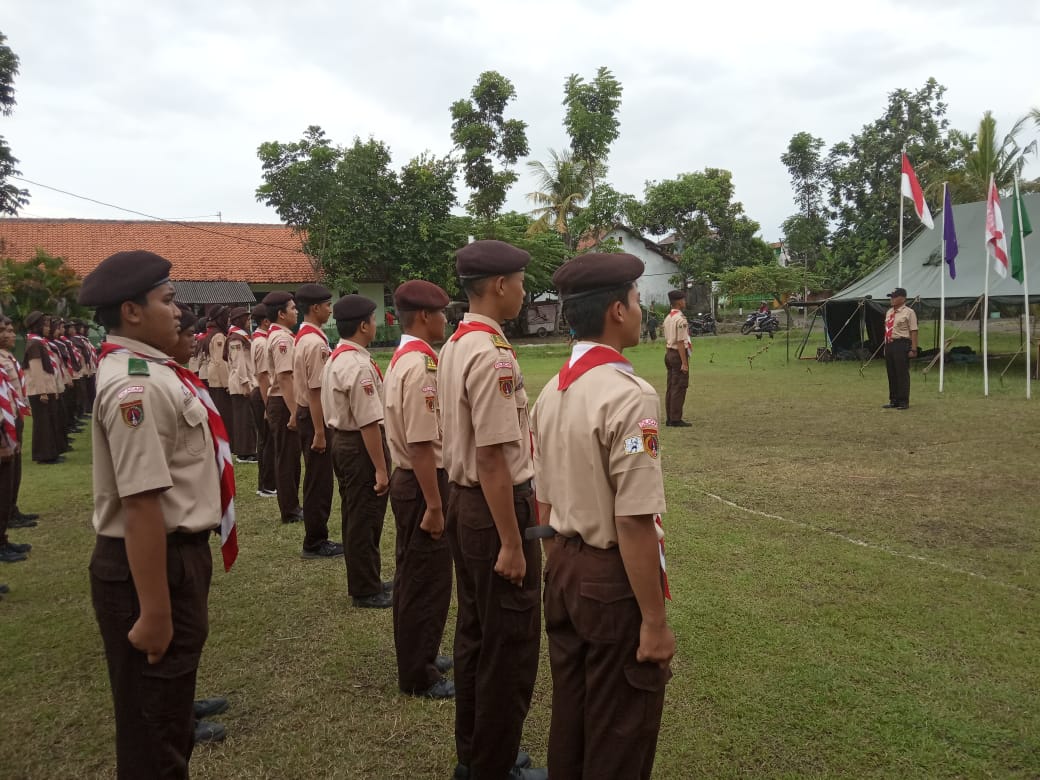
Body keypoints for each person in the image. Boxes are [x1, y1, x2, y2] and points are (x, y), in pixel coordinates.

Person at [79, 249, 237, 779]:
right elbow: (142, 503)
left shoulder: (151, 370)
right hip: (151, 565)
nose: (178, 312)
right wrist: (154, 611)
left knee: (167, 709)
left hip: (171, 556)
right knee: (154, 735)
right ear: (131, 311)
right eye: (168, 301)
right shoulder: (137, 386)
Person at [530, 252, 675, 779]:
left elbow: (542, 497)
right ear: (617, 310)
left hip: (564, 565)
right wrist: (654, 622)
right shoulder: (629, 396)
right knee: (620, 728)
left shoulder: (552, 391)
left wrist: (561, 562)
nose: (640, 310)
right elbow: (634, 519)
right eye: (636, 300)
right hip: (609, 580)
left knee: (573, 712)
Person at [438, 240, 545, 780]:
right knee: (510, 644)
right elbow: (493, 457)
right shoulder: (491, 354)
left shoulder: (456, 343)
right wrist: (511, 542)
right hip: (495, 507)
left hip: (466, 502)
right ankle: (494, 766)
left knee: (477, 633)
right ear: (500, 285)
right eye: (521, 282)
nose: (524, 292)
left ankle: (475, 754)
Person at [382, 280, 454, 698]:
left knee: (417, 573)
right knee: (425, 579)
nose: (445, 320)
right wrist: (435, 505)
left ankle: (421, 652)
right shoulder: (421, 366)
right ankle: (418, 673)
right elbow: (422, 443)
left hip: (412, 479)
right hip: (422, 480)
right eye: (441, 313)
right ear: (425, 316)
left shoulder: (405, 358)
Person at [320, 294, 392, 607]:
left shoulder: (338, 357)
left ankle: (367, 578)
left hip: (343, 441)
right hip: (359, 445)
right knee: (365, 516)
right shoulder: (357, 365)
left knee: (355, 513)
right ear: (363, 326)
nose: (375, 325)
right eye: (373, 320)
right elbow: (368, 422)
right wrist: (380, 469)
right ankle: (366, 588)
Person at [293, 283, 342, 559]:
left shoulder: (306, 337)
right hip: (315, 417)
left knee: (317, 479)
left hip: (309, 414)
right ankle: (315, 541)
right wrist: (320, 432)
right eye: (327, 305)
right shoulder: (314, 343)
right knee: (318, 481)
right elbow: (315, 390)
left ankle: (316, 537)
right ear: (314, 308)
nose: (330, 310)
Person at [262, 292, 304, 524]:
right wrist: (295, 411)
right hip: (284, 400)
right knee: (287, 458)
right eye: (292, 308)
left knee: (289, 456)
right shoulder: (282, 339)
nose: (296, 312)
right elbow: (285, 377)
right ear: (281, 313)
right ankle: (290, 509)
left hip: (282, 400)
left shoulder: (281, 336)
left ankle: (292, 505)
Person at [0, 318, 37, 530]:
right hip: (4, 421)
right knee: (6, 474)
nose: (11, 335)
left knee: (14, 470)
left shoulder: (8, 357)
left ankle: (12, 510)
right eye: (4, 331)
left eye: (11, 330)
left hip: (14, 417)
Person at [21, 312, 63, 464]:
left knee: (49, 422)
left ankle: (51, 453)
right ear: (37, 326)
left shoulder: (40, 342)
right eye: (45, 325)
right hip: (40, 390)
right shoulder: (34, 343)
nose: (48, 328)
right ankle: (44, 455)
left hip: (47, 388)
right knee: (43, 424)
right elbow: (36, 369)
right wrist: (42, 392)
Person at [249, 304, 277, 498]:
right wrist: (268, 405)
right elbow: (263, 376)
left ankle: (266, 483)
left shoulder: (261, 339)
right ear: (266, 321)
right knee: (268, 441)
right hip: (263, 393)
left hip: (262, 392)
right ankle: (268, 484)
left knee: (266, 440)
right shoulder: (261, 342)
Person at [225, 306, 258, 464]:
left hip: (243, 381)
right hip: (241, 384)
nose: (249, 322)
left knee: (245, 418)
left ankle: (246, 451)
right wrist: (246, 384)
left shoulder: (240, 336)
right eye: (247, 319)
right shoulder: (236, 338)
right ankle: (246, 452)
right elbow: (238, 364)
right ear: (240, 320)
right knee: (244, 420)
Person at [883, 287, 918, 410]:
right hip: (889, 343)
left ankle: (903, 401)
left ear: (902, 298)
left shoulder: (909, 312)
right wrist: (886, 346)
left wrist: (913, 349)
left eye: (894, 297)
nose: (892, 299)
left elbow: (914, 331)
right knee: (891, 372)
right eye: (891, 297)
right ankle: (894, 400)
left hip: (901, 343)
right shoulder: (889, 312)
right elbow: (887, 329)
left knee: (901, 373)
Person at [662, 289, 691, 427]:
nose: (685, 302)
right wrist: (684, 363)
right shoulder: (680, 319)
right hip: (678, 354)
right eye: (683, 299)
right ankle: (675, 419)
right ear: (679, 302)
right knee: (679, 386)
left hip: (669, 352)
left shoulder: (668, 318)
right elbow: (680, 342)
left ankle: (670, 417)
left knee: (671, 386)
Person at [203, 306, 233, 433]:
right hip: (220, 382)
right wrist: (227, 383)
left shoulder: (213, 333)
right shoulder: (219, 336)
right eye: (227, 317)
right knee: (224, 414)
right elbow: (220, 362)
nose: (229, 320)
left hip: (215, 379)